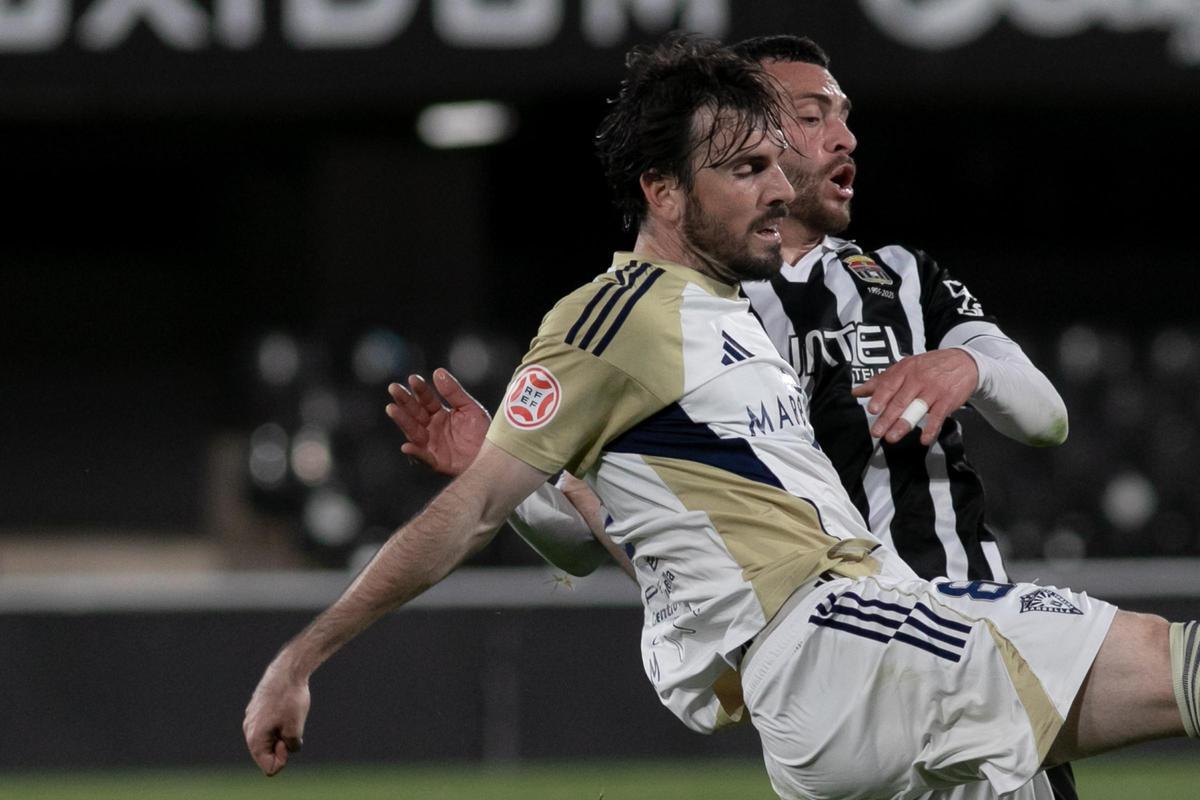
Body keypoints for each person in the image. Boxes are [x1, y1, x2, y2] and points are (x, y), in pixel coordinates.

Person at [245, 34, 1197, 800]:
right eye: (747, 168)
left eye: (774, 164)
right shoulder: (613, 319)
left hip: (831, 680)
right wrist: (300, 657)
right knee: (1177, 667)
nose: (779, 188)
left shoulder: (729, 322)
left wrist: (538, 485)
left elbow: (639, 546)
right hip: (845, 644)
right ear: (663, 192)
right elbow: (478, 513)